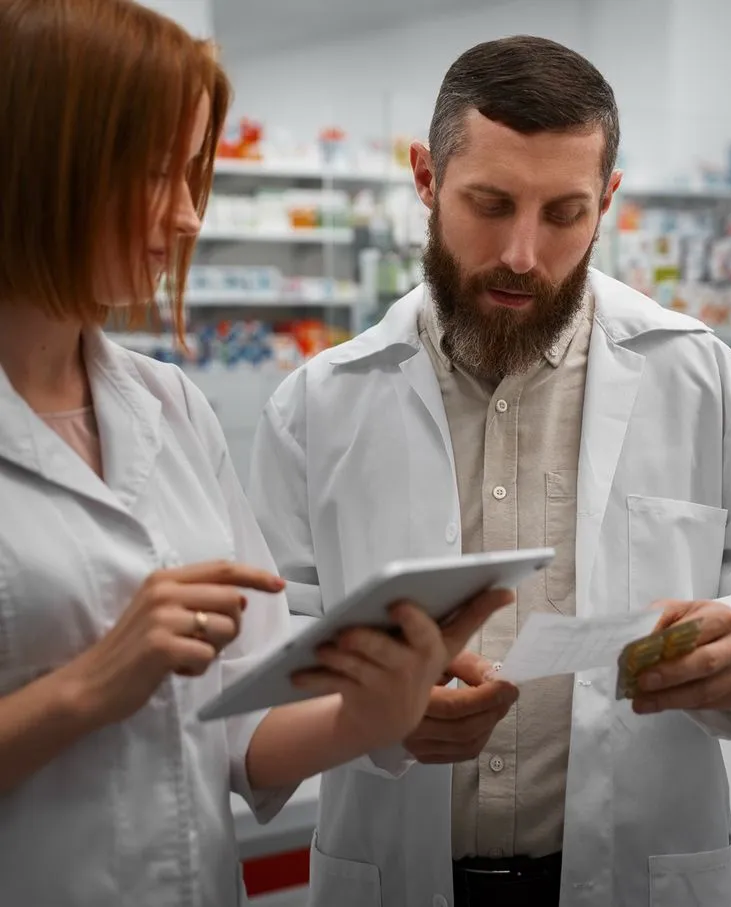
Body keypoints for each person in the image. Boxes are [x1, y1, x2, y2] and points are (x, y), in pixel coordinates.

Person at [249, 35, 731, 907]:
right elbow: (268, 654)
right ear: (426, 178)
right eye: (491, 202)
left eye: (564, 214)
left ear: (607, 200)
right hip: (398, 870)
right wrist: (374, 715)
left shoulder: (700, 380)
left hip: (632, 872)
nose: (520, 253)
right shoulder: (319, 404)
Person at [0, 4, 513, 906]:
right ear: (39, 163)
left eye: (195, 173)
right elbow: (121, 689)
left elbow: (243, 731)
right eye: (157, 172)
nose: (190, 214)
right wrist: (88, 687)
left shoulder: (171, 410)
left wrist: (378, 709)